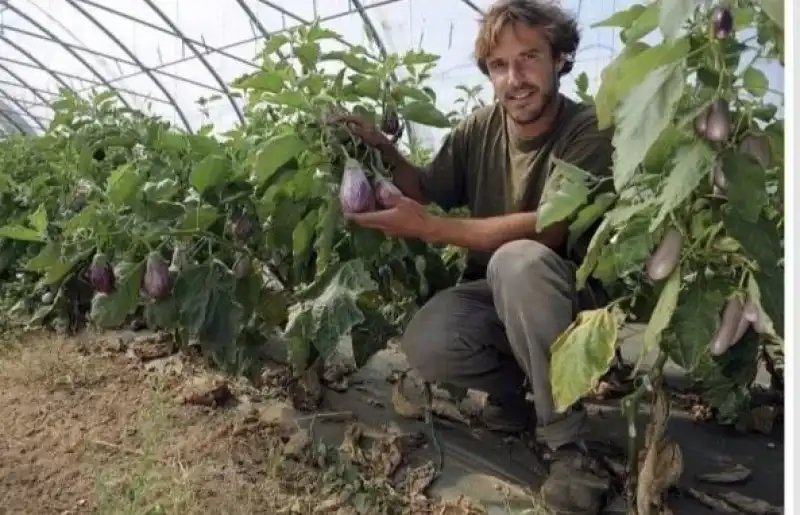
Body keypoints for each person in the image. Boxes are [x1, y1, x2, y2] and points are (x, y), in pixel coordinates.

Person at [338, 0, 615, 513]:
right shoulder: (478, 129)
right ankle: (519, 393)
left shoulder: (588, 128)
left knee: (519, 262)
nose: (515, 78)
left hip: (573, 301)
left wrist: (432, 229)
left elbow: (550, 229)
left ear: (559, 58)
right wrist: (384, 150)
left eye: (530, 57)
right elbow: (425, 188)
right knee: (427, 342)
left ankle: (569, 446)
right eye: (499, 65)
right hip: (497, 293)